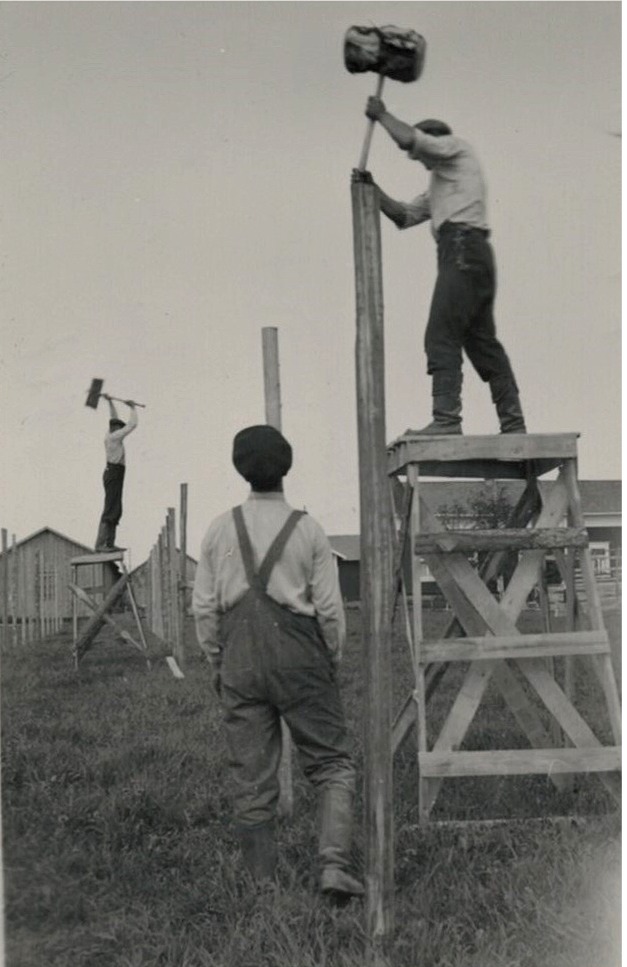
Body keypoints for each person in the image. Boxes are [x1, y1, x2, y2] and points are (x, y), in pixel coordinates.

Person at [192, 424, 363, 898]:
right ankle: (331, 866)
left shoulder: (218, 528)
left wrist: (217, 661)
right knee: (331, 763)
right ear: (286, 466)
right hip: (302, 658)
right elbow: (330, 610)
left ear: (239, 467)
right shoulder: (307, 529)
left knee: (251, 774)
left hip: (239, 661)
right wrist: (330, 658)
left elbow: (204, 609)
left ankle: (260, 885)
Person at [357, 96, 527, 436]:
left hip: (462, 250)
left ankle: (447, 421)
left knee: (441, 334)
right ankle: (514, 424)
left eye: (420, 155)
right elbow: (404, 216)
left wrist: (382, 114)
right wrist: (372, 189)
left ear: (435, 142)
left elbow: (408, 138)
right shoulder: (442, 182)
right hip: (470, 255)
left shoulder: (454, 148)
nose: (418, 160)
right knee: (481, 342)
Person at [94, 396, 138, 551]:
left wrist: (110, 402)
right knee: (111, 507)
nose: (121, 430)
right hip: (114, 473)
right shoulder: (114, 437)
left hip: (115, 473)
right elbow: (133, 425)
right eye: (119, 427)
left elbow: (113, 417)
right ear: (116, 429)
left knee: (116, 508)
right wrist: (132, 408)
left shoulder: (111, 433)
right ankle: (101, 545)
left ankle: (109, 544)